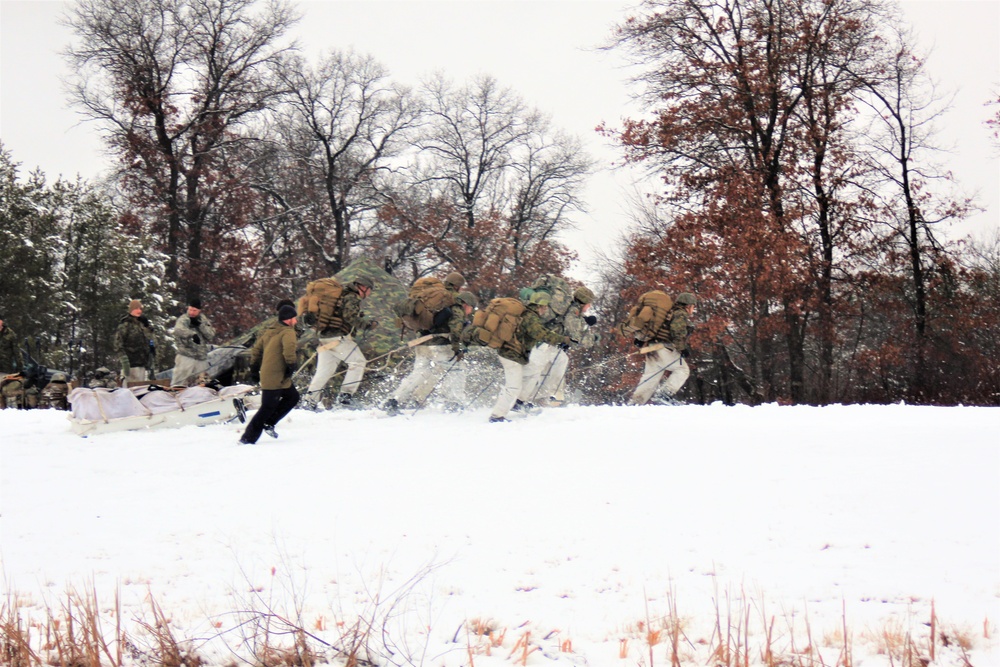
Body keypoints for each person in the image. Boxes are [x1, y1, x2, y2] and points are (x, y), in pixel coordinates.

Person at [384, 291, 477, 415]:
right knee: (457, 370)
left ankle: (394, 399)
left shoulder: (441, 308)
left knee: (420, 373)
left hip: (423, 344)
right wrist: (457, 349)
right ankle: (454, 402)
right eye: (471, 308)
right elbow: (455, 331)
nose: (470, 312)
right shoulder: (457, 309)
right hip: (440, 346)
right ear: (466, 304)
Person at [487, 291, 573, 423]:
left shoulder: (527, 314)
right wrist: (563, 339)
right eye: (545, 307)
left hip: (515, 355)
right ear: (541, 306)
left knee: (533, 372)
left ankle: (519, 402)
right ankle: (497, 416)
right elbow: (541, 334)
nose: (545, 310)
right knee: (513, 387)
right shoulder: (530, 318)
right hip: (511, 356)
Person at [515, 285, 598, 410]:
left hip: (550, 344)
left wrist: (583, 322)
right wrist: (593, 339)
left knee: (558, 364)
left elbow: (566, 326)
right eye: (589, 304)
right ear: (584, 302)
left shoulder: (568, 306)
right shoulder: (572, 311)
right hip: (543, 344)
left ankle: (538, 398)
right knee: (533, 372)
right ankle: (519, 400)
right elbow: (576, 335)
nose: (589, 307)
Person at [302, 276, 373, 409]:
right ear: (363, 287)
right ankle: (345, 398)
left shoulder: (340, 296)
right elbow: (349, 317)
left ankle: (309, 401)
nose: (369, 294)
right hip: (338, 339)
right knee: (358, 362)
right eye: (370, 290)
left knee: (324, 372)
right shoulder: (351, 297)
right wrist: (366, 325)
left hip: (325, 339)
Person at [240, 305, 300, 444]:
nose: (296, 321)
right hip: (276, 375)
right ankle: (248, 438)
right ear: (289, 319)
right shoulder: (288, 332)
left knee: (292, 397)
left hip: (271, 374)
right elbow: (289, 351)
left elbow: (256, 350)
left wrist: (254, 368)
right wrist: (291, 366)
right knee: (267, 407)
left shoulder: (270, 331)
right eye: (294, 318)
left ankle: (269, 422)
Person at [629, 292, 697, 405]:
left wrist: (641, 339)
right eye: (693, 307)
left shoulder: (666, 313)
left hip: (652, 348)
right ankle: (664, 394)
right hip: (664, 348)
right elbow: (677, 331)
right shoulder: (680, 313)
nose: (692, 310)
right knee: (683, 370)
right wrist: (682, 349)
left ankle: (636, 403)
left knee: (650, 378)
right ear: (688, 306)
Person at [171, 297, 216, 386]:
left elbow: (210, 335)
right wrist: (192, 334)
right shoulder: (184, 319)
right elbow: (178, 330)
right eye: (190, 309)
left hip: (200, 356)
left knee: (203, 382)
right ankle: (175, 395)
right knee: (179, 381)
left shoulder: (203, 319)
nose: (191, 312)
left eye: (194, 310)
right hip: (186, 354)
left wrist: (200, 326)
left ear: (199, 310)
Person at [114, 299, 155, 383]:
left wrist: (151, 354)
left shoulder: (142, 324)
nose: (139, 311)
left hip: (142, 364)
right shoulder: (125, 324)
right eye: (137, 308)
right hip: (130, 365)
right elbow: (118, 344)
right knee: (129, 391)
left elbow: (149, 341)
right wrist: (124, 360)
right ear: (131, 309)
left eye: (140, 309)